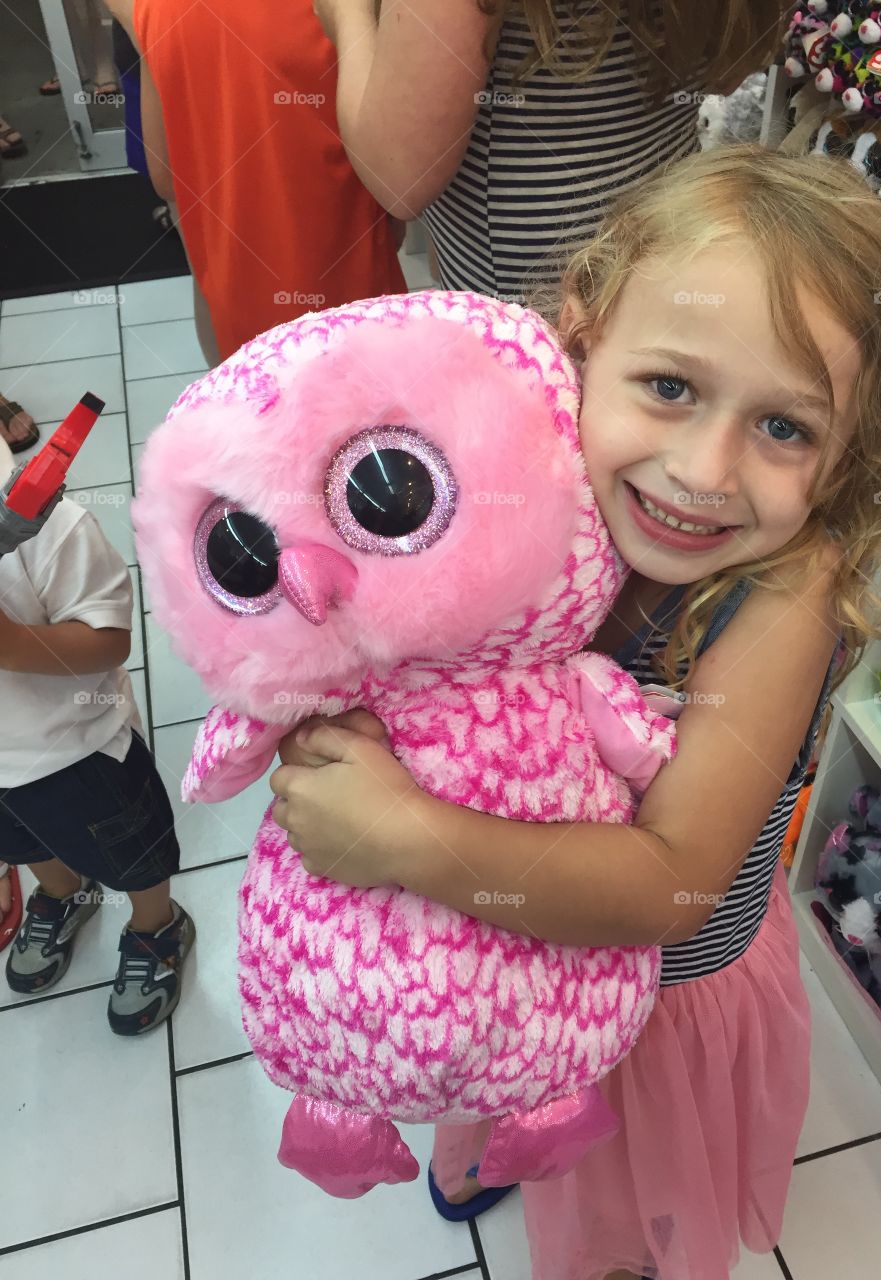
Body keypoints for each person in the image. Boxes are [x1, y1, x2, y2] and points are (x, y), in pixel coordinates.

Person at [267, 145, 881, 1280]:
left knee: (609, 1213)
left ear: (849, 455)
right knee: (484, 1061)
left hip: (646, 1012)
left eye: (787, 427)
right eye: (670, 387)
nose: (705, 469)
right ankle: (474, 1139)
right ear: (578, 335)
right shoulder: (527, 484)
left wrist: (399, 835)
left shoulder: (782, 594)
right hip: (500, 947)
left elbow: (671, 882)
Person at [313, 0, 788, 300]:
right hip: (668, 241)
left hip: (538, 310)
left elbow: (399, 176)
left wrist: (345, 12)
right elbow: (732, 68)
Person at [0, 437, 194, 1035]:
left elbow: (108, 641)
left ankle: (156, 923)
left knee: (132, 854)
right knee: (25, 846)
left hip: (75, 753)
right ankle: (63, 893)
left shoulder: (44, 524)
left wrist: (9, 643)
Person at [104, 0, 407, 364]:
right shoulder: (343, 10)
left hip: (238, 303)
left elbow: (166, 177)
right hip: (348, 300)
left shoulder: (155, 9)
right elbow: (394, 175)